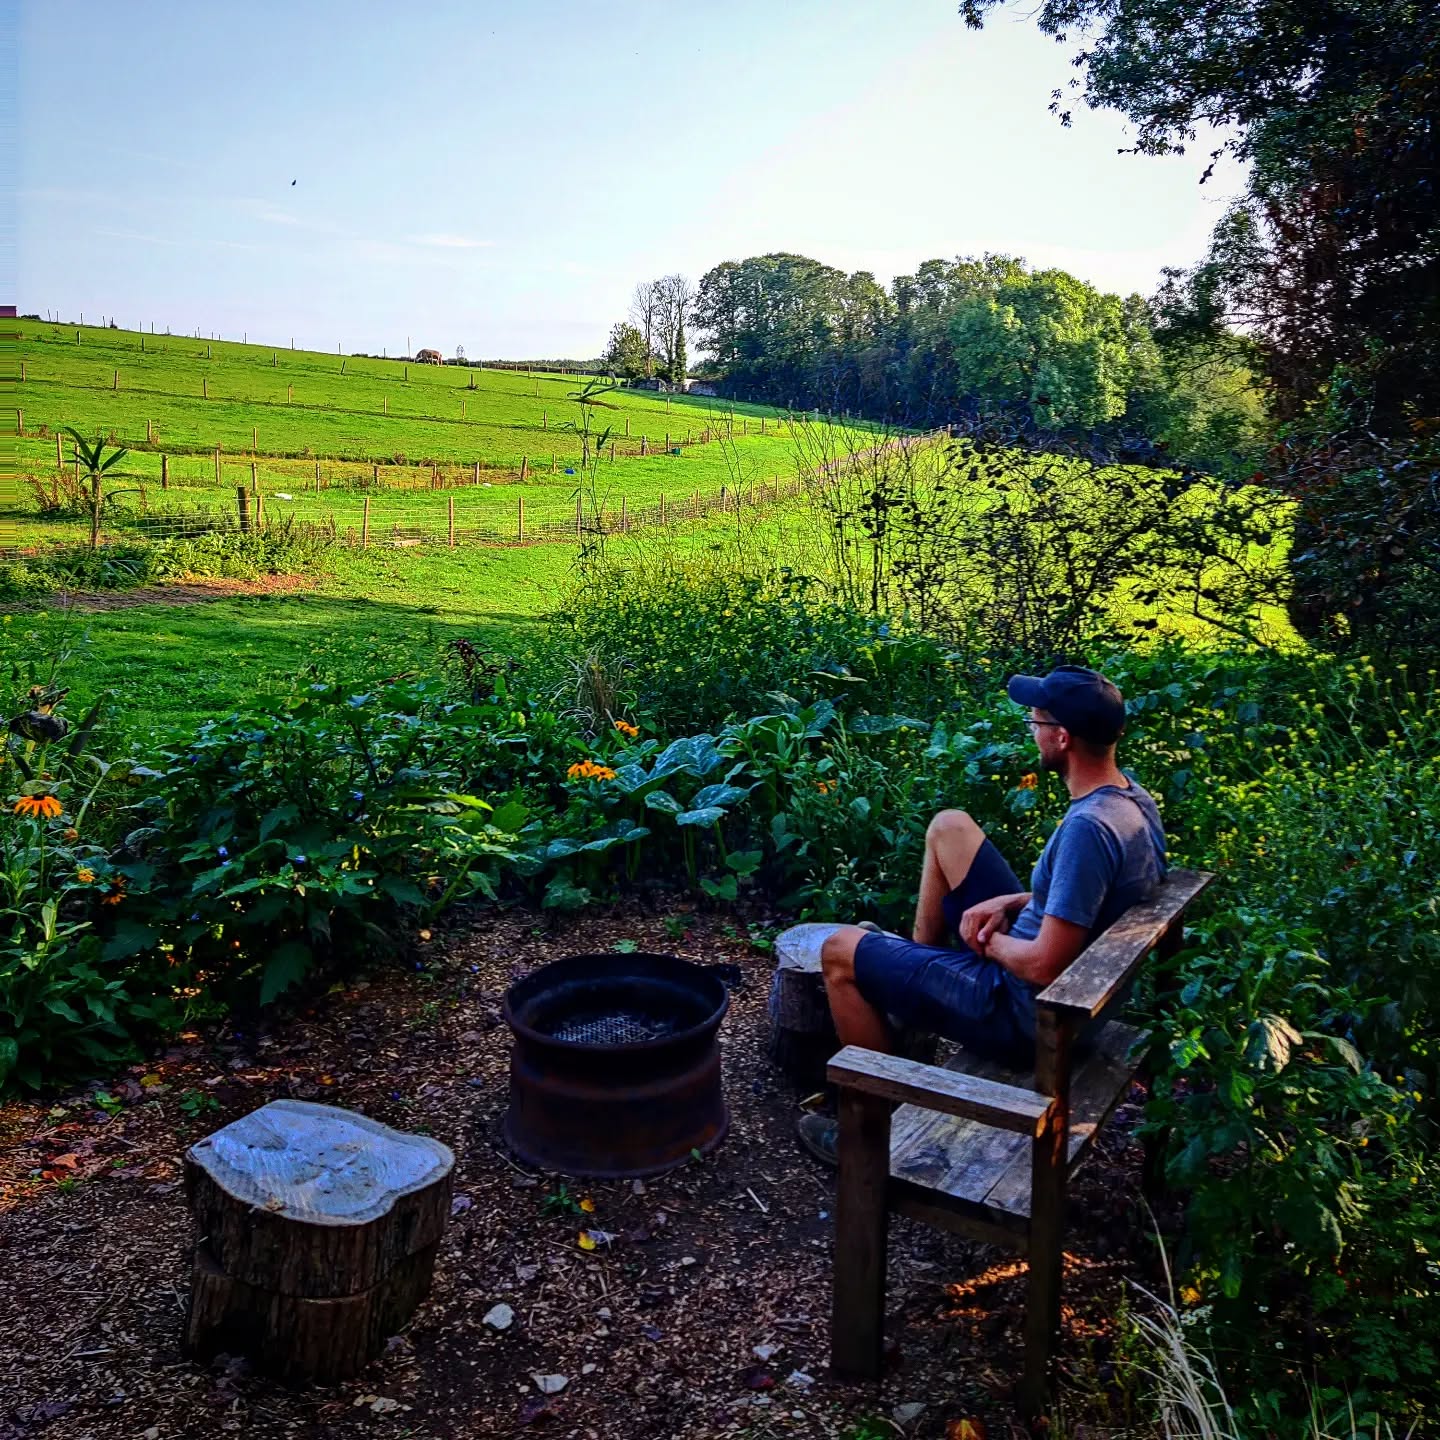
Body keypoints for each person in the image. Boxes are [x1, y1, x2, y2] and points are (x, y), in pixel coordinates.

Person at [797, 665, 1167, 1164]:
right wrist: (1012, 902)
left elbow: (1044, 966)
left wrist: (984, 942)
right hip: (1062, 992)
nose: (1031, 734)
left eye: (1034, 724)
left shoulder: (1089, 828)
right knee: (949, 827)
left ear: (1061, 738)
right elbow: (1089, 899)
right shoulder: (1129, 801)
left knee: (838, 951)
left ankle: (869, 1133)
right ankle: (911, 1000)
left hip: (1024, 1014)